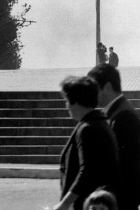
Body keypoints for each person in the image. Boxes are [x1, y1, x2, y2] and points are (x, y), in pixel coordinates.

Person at [88, 64, 140, 210]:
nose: (91, 94)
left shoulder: (124, 116)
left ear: (107, 87)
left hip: (121, 198)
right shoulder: (117, 112)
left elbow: (122, 163)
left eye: (94, 89)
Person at [55, 76, 119, 210]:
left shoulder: (88, 129)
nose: (66, 106)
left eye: (67, 100)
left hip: (88, 204)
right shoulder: (99, 123)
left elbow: (87, 171)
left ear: (76, 102)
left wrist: (65, 203)